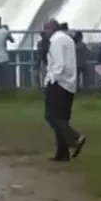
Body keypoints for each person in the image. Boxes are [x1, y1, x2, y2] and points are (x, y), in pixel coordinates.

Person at [42, 19, 85, 162]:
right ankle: (62, 153)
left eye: (46, 29)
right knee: (62, 118)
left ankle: (75, 138)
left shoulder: (56, 41)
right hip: (70, 84)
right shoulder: (67, 38)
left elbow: (59, 64)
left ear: (51, 29)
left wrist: (51, 79)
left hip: (59, 83)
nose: (45, 33)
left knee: (52, 117)